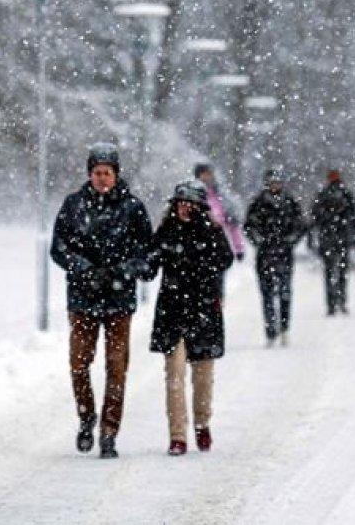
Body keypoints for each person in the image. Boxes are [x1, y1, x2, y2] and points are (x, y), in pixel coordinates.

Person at [50, 142, 153, 459]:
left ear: (117, 174)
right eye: (97, 173)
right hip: (82, 299)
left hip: (119, 301)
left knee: (116, 367)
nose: (102, 178)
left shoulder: (133, 208)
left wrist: (123, 272)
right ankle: (86, 416)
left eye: (107, 172)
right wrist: (84, 269)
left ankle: (109, 432)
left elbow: (147, 255)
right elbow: (59, 247)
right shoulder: (73, 205)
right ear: (89, 174)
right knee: (79, 363)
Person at [146, 181, 234, 456]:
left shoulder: (211, 232)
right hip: (172, 312)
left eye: (191, 204)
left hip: (204, 311)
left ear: (200, 207)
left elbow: (224, 259)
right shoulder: (165, 232)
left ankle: (202, 424)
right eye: (181, 203)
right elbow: (150, 267)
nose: (185, 208)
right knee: (175, 373)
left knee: (203, 376)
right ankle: (177, 435)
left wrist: (202, 230)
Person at [244, 169, 306, 346]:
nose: (275, 185)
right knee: (267, 294)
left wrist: (290, 241)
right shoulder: (258, 203)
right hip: (264, 255)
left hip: (284, 254)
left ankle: (285, 328)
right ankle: (270, 331)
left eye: (278, 182)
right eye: (272, 182)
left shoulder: (290, 202)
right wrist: (260, 241)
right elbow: (249, 227)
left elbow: (300, 226)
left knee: (285, 293)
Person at [311, 169, 355, 315]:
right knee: (342, 272)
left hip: (328, 238)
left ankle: (331, 303)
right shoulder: (346, 194)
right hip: (342, 238)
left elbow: (315, 218)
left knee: (329, 272)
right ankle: (341, 301)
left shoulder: (323, 195)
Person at [194, 163, 246, 262]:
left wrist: (238, 248)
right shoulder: (193, 195)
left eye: (209, 173)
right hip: (197, 245)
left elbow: (233, 226)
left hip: (218, 244)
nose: (207, 177)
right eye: (204, 174)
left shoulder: (221, 195)